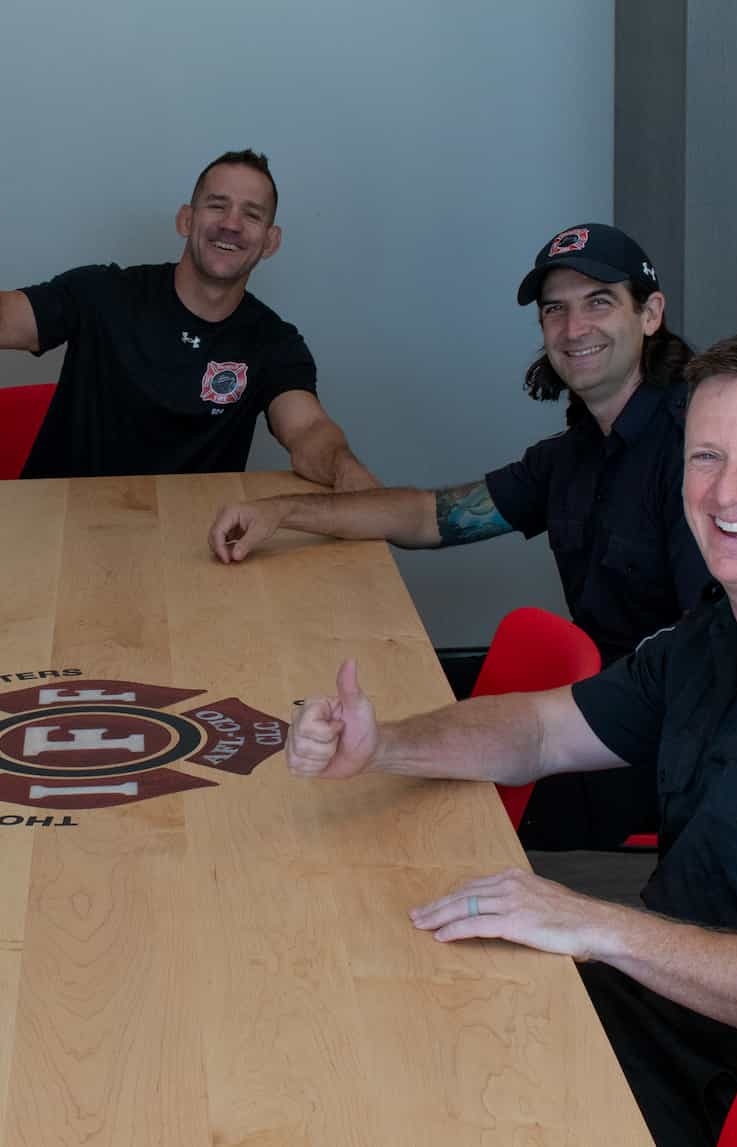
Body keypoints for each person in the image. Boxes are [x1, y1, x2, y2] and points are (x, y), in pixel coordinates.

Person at [285, 330, 737, 1147]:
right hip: (648, 1011)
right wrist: (384, 747)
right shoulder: (718, 630)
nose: (729, 491)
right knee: (365, 1026)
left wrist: (601, 926)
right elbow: (544, 729)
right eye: (706, 457)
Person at [211, 222, 710, 849]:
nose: (574, 328)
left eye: (599, 301)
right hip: (589, 710)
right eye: (555, 309)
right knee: (365, 768)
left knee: (403, 814)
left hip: (668, 743)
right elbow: (429, 517)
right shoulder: (572, 456)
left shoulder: (702, 453)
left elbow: (716, 656)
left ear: (651, 313)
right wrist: (283, 512)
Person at [0, 149, 378, 488]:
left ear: (270, 241)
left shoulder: (274, 342)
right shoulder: (102, 292)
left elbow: (308, 430)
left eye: (251, 214)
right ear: (186, 220)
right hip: (58, 528)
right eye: (217, 206)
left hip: (188, 545)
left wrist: (348, 474)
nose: (231, 224)